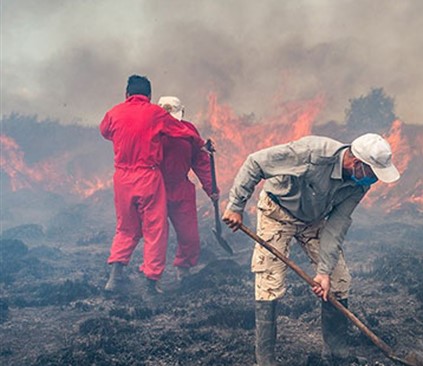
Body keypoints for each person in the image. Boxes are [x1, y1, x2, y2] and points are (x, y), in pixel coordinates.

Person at [222, 133, 400, 365]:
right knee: (269, 283)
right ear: (357, 164)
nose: (374, 181)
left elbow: (336, 225)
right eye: (374, 175)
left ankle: (336, 354)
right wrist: (236, 205)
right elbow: (255, 162)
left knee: (338, 279)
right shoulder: (312, 154)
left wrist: (324, 272)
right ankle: (265, 360)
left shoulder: (358, 184)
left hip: (314, 220)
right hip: (277, 212)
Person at [100, 75, 205, 295]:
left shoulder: (113, 113)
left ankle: (114, 277)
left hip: (121, 177)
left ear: (127, 94)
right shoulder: (155, 114)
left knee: (126, 228)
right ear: (149, 96)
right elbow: (179, 130)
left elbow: (105, 132)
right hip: (148, 176)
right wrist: (200, 141)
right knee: (155, 230)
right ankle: (151, 281)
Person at [157, 96, 218, 281]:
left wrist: (211, 188)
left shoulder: (189, 131)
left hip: (181, 187)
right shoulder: (151, 131)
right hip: (156, 187)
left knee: (189, 234)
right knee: (157, 235)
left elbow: (200, 161)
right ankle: (153, 276)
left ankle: (183, 269)